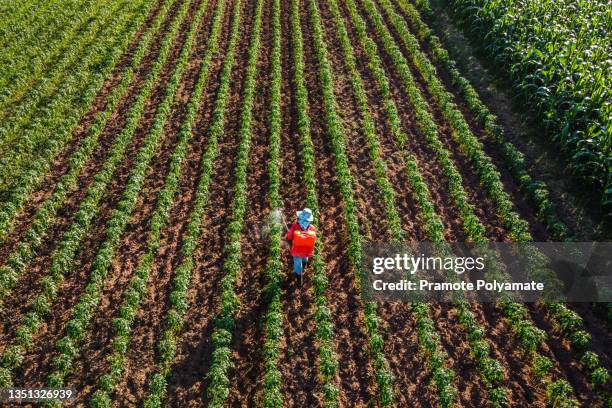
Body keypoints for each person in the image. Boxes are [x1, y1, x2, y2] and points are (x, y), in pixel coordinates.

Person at [286, 208, 317, 282]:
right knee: (305, 258)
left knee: (297, 265)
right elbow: (313, 240)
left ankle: (299, 281)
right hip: (307, 251)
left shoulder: (295, 227)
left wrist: (290, 242)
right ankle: (305, 265)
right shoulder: (312, 228)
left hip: (297, 251)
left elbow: (289, 238)